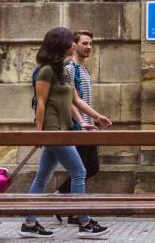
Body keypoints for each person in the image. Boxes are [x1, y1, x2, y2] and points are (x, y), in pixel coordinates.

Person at [19, 27, 111, 238]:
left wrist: (95, 118)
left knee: (42, 178)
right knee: (79, 172)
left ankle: (30, 224)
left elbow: (75, 100)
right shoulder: (45, 71)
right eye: (70, 41)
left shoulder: (63, 70)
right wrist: (39, 133)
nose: (73, 45)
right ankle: (84, 222)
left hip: (64, 129)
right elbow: (40, 103)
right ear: (60, 44)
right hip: (52, 131)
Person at [54, 30, 102, 226]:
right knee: (87, 168)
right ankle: (64, 202)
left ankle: (70, 208)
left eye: (90, 43)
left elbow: (82, 98)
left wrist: (94, 117)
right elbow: (70, 100)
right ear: (74, 45)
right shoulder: (70, 68)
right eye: (84, 43)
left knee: (86, 168)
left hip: (86, 125)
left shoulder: (83, 70)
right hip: (77, 126)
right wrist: (82, 121)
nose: (89, 47)